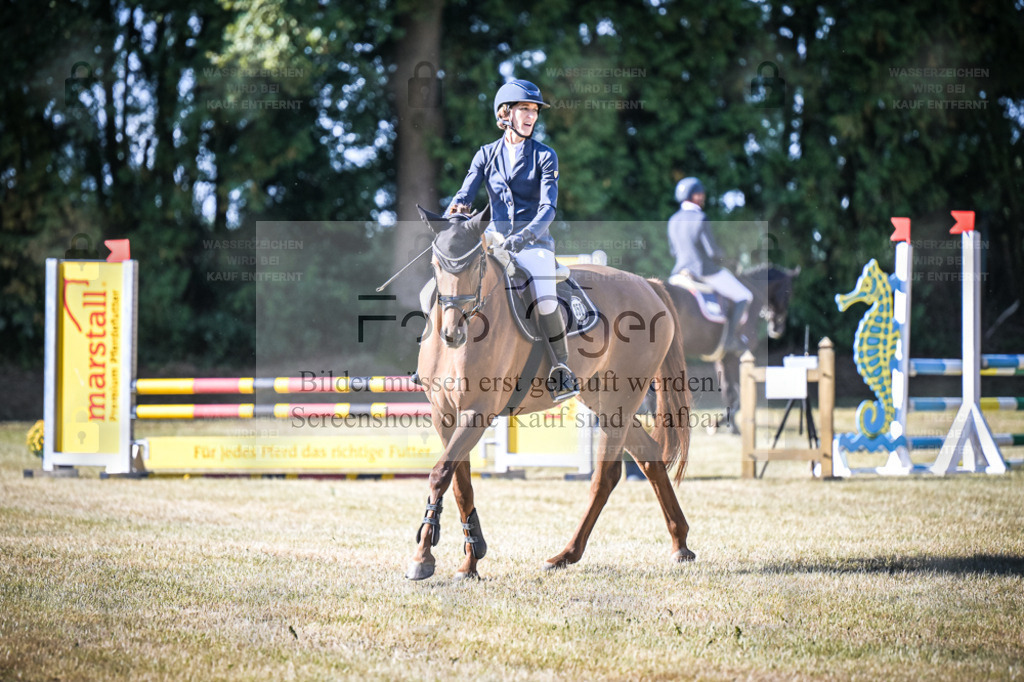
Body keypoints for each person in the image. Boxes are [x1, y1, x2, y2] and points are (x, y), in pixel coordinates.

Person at [446, 79, 578, 401]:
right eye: (524, 109)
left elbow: (548, 208)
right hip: (493, 240)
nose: (531, 116)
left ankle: (561, 367)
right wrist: (452, 218)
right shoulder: (485, 155)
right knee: (443, 282)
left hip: (534, 244)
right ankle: (432, 360)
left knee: (545, 299)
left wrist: (524, 237)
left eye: (534, 110)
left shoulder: (545, 156)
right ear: (505, 114)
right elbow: (464, 194)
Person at [667, 177, 753, 352]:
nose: (703, 198)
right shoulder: (700, 218)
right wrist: (729, 261)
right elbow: (713, 253)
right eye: (701, 194)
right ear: (696, 196)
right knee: (745, 295)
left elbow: (673, 252)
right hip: (703, 272)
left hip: (678, 274)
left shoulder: (673, 220)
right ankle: (730, 340)